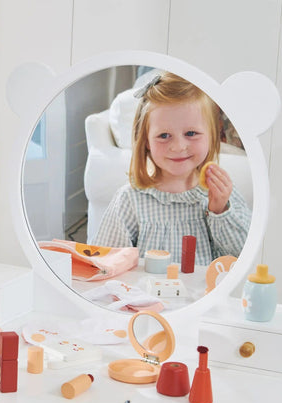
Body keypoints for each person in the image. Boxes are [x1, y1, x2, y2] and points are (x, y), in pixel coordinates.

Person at [91, 71, 251, 265]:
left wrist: (219, 210)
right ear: (146, 142)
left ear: (211, 136)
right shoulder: (131, 199)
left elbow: (245, 256)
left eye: (191, 133)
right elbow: (106, 263)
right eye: (164, 136)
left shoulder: (222, 195)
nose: (178, 147)